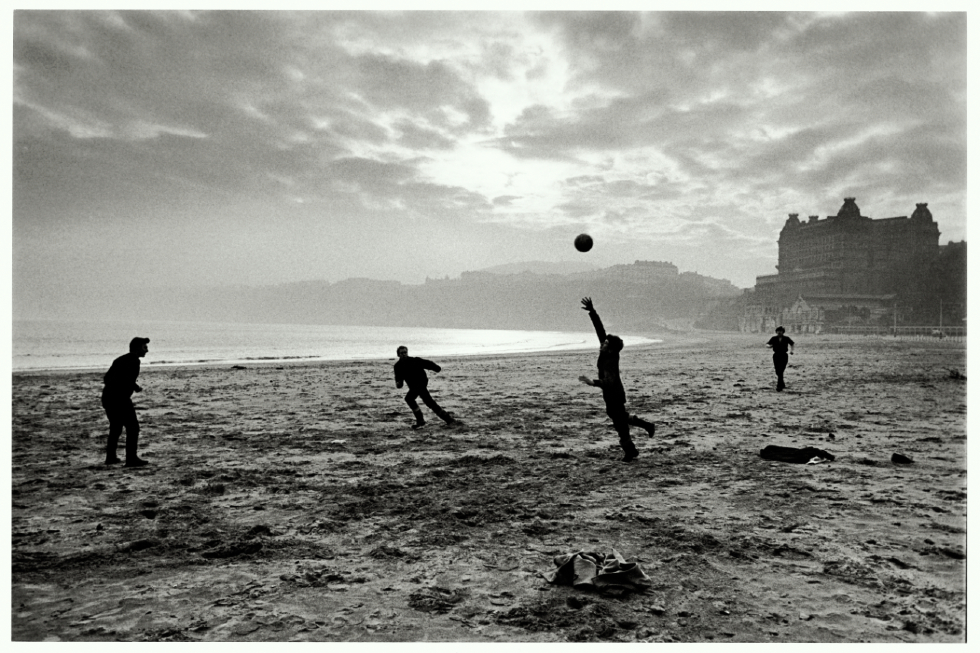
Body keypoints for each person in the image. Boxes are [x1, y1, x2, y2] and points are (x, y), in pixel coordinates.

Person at [577, 297, 656, 462]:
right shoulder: (607, 350)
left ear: (612, 350)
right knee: (620, 417)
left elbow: (610, 382)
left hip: (614, 394)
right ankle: (647, 426)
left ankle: (630, 451)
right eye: (604, 342)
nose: (602, 344)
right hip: (612, 395)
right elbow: (600, 329)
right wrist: (592, 311)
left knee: (620, 424)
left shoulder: (611, 361)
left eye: (605, 344)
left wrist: (593, 382)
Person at [102, 337, 150, 467]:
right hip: (119, 398)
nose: (147, 350)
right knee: (133, 428)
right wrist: (132, 387)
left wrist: (133, 386)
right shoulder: (134, 361)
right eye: (144, 347)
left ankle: (110, 457)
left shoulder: (120, 359)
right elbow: (125, 379)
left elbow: (108, 378)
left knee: (116, 428)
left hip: (107, 397)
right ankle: (131, 458)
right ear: (138, 348)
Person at [394, 346, 457, 429]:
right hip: (413, 386)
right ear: (398, 355)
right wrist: (398, 384)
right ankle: (448, 419)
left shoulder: (415, 360)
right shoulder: (397, 366)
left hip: (421, 383)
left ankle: (421, 420)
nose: (404, 354)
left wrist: (436, 368)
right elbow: (399, 381)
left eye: (405, 352)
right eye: (401, 353)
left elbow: (427, 363)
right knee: (429, 402)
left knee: (411, 399)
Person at [766, 326, 795, 391]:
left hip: (784, 355)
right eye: (778, 331)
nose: (779, 332)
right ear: (776, 332)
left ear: (783, 332)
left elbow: (792, 343)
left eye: (781, 331)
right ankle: (782, 383)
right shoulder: (773, 338)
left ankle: (779, 386)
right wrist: (769, 346)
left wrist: (792, 351)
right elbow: (767, 344)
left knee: (781, 370)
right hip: (776, 355)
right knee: (777, 370)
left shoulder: (786, 338)